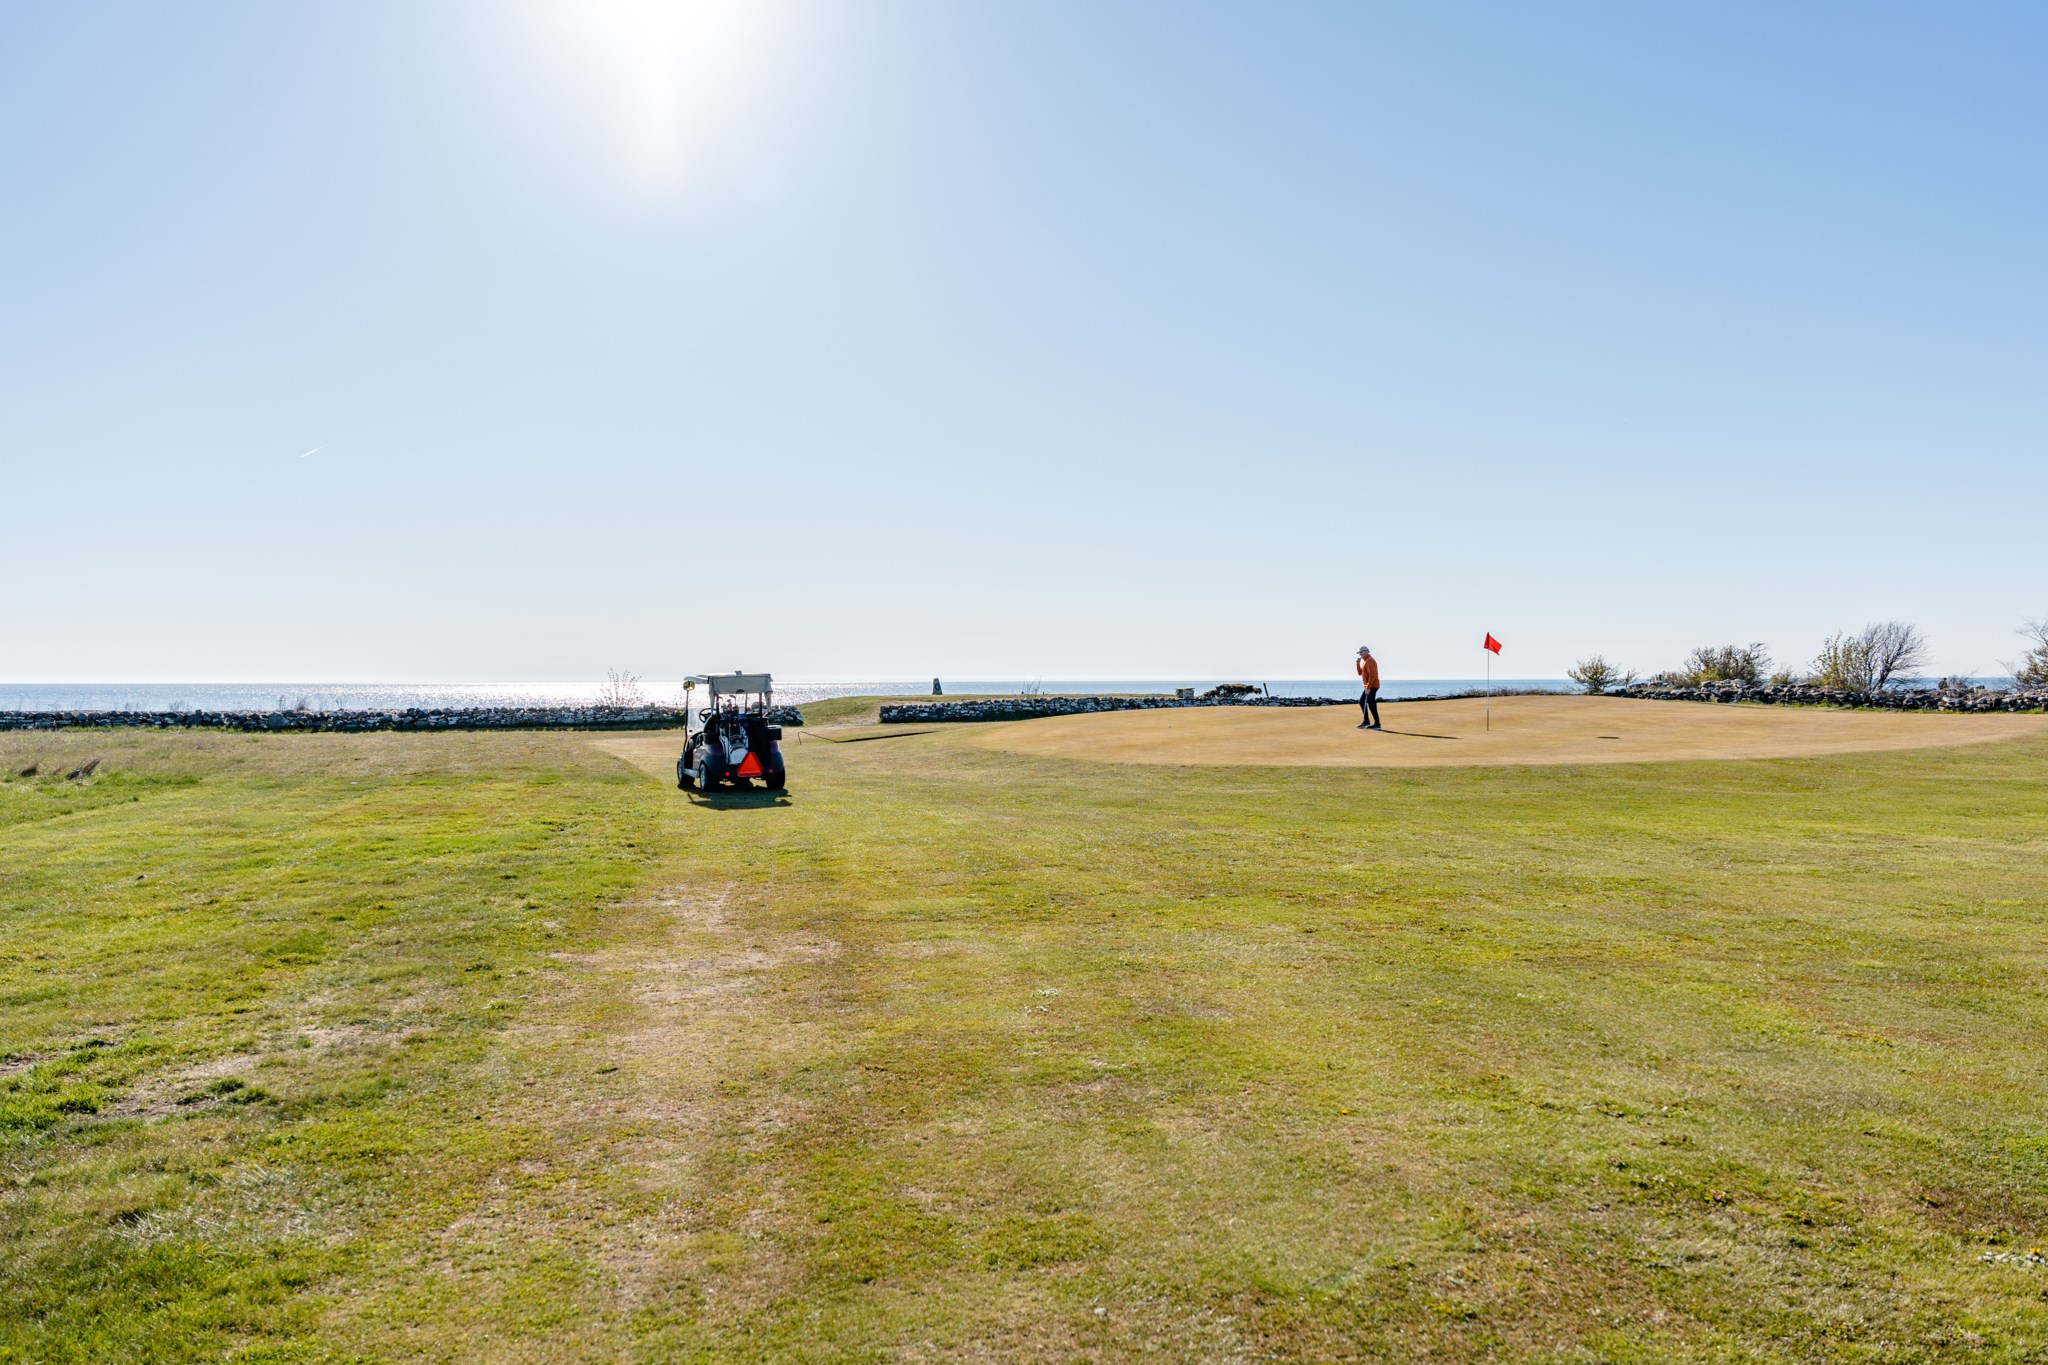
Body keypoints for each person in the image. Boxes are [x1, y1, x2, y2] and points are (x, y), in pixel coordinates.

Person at [1355, 646, 1381, 730]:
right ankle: (1368, 722)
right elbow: (1360, 673)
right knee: (1365, 702)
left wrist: (1368, 687)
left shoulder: (1369, 661)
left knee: (1368, 703)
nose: (1360, 655)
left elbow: (1372, 675)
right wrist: (1358, 663)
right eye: (1359, 653)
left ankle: (1375, 723)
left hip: (1372, 686)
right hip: (1370, 686)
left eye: (1361, 653)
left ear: (1366, 652)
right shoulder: (1366, 661)